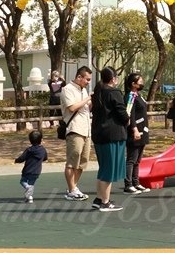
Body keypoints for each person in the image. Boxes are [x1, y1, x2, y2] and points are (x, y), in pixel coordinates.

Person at [90, 66, 128, 212]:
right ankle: (105, 202)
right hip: (113, 134)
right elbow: (121, 112)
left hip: (99, 134)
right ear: (113, 79)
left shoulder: (98, 93)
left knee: (104, 167)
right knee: (109, 169)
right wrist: (127, 119)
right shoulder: (114, 92)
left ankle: (99, 198)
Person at [60, 66, 93, 201]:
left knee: (82, 162)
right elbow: (72, 107)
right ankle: (72, 189)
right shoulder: (67, 89)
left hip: (86, 129)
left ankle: (73, 188)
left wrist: (92, 102)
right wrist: (87, 99)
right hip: (75, 129)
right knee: (72, 161)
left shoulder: (83, 90)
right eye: (87, 79)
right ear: (79, 77)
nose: (88, 82)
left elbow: (86, 108)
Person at [123, 72, 149, 194]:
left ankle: (136, 182)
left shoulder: (138, 95)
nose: (142, 83)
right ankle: (128, 184)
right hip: (135, 130)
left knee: (138, 159)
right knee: (131, 158)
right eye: (140, 81)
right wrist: (134, 129)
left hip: (143, 129)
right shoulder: (131, 96)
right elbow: (130, 114)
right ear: (133, 84)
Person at [14, 129, 48, 203]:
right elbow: (45, 158)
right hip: (37, 171)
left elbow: (22, 158)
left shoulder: (29, 150)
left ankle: (27, 188)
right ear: (41, 140)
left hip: (28, 170)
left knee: (22, 181)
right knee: (31, 184)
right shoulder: (43, 150)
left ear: (30, 140)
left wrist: (16, 160)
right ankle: (29, 197)